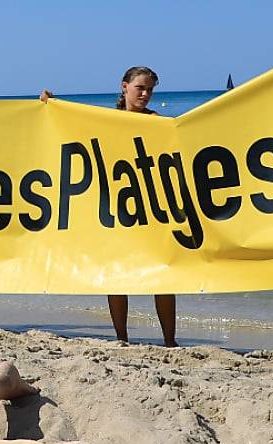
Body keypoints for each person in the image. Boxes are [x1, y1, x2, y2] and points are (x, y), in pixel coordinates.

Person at [42, 68, 177, 347]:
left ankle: (169, 340)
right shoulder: (107, 120)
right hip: (115, 205)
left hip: (150, 205)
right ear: (124, 87)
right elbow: (75, 127)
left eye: (150, 90)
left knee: (163, 276)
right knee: (118, 276)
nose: (145, 94)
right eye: (140, 88)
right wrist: (51, 106)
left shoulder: (158, 122)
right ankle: (121, 337)